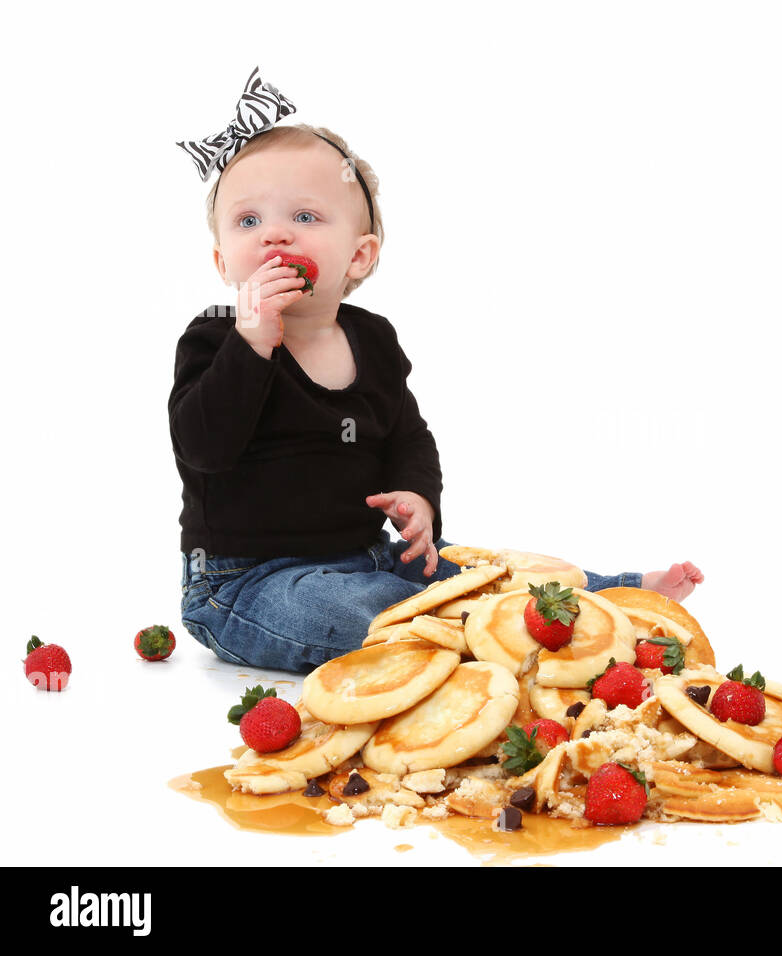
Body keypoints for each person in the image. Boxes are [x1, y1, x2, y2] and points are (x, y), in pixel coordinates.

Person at [172, 71, 702, 673]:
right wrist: (251, 345)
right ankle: (473, 636)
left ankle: (611, 595)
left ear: (359, 255)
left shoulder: (372, 338)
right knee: (353, 611)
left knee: (482, 568)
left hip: (370, 554)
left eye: (305, 216)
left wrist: (420, 500)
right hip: (250, 583)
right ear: (221, 261)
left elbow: (409, 437)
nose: (273, 233)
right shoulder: (216, 338)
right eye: (247, 222)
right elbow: (203, 448)